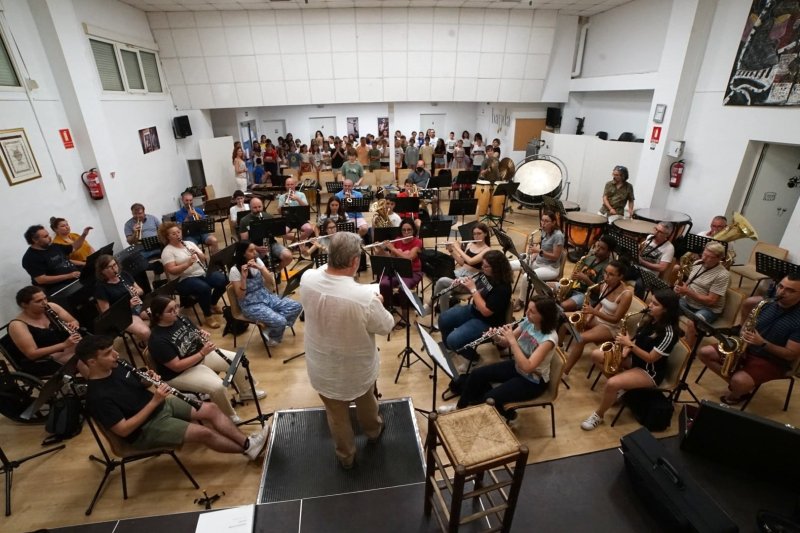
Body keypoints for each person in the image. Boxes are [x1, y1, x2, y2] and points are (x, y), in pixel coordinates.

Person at [78, 335, 270, 461]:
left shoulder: (117, 365)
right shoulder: (97, 396)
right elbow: (124, 430)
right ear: (92, 362)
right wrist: (154, 401)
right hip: (144, 429)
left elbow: (138, 385)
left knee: (210, 409)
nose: (116, 354)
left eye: (113, 349)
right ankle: (249, 448)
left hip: (158, 405)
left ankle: (249, 445)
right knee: (204, 433)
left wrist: (149, 381)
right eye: (108, 353)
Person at [299, 232, 394, 469]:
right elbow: (386, 326)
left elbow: (327, 278)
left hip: (322, 366)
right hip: (356, 368)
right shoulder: (365, 298)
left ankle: (346, 456)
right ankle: (373, 431)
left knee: (336, 416)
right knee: (366, 402)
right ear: (355, 262)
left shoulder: (307, 278)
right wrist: (378, 302)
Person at [147, 296, 264, 423]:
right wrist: (202, 353)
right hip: (179, 373)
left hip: (199, 356)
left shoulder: (181, 319)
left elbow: (196, 332)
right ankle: (228, 417)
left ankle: (246, 392)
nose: (176, 311)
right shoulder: (157, 340)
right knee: (217, 387)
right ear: (158, 315)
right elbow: (177, 366)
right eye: (170, 310)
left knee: (238, 359)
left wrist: (202, 334)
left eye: (176, 307)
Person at [443, 297, 559, 422]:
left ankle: (506, 415)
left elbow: (528, 366)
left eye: (532, 312)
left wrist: (512, 341)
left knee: (490, 398)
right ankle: (459, 407)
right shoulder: (528, 322)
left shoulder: (548, 339)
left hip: (533, 381)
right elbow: (505, 343)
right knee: (477, 374)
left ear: (544, 316)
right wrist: (495, 337)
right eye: (528, 309)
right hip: (517, 367)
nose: (527, 313)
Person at [580, 289, 681, 430]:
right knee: (597, 355)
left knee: (611, 383)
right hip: (636, 359)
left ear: (666, 310)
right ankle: (622, 389)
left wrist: (629, 345)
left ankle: (599, 415)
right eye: (651, 301)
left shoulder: (669, 333)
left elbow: (651, 358)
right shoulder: (650, 319)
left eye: (655, 304)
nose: (650, 305)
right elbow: (636, 340)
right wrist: (625, 350)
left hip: (649, 371)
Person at [698, 274, 800, 405]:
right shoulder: (766, 303)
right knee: (704, 352)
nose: (782, 292)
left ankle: (737, 393)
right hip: (748, 347)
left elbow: (791, 355)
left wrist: (762, 343)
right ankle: (739, 384)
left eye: (790, 290)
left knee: (740, 381)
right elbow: (747, 323)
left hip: (772, 360)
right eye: (780, 286)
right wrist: (743, 335)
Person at [439, 250, 513, 367]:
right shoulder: (486, 274)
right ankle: (450, 348)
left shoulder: (503, 288)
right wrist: (465, 283)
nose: (482, 267)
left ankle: (474, 359)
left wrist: (473, 289)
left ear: (497, 268)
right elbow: (477, 289)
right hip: (474, 310)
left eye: (486, 266)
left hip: (487, 322)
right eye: (482, 264)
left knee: (453, 340)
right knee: (443, 318)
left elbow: (486, 312)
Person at [562, 260, 633, 378]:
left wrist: (594, 312)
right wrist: (590, 316)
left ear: (621, 277)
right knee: (564, 316)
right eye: (605, 273)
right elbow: (601, 302)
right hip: (597, 317)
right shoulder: (605, 284)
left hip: (610, 327)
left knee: (581, 338)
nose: (606, 277)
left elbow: (615, 319)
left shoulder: (626, 295)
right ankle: (560, 347)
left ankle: (565, 372)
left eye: (611, 275)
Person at [229, 241, 303, 346]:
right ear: (243, 253)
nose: (255, 253)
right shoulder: (234, 270)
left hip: (265, 297)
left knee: (297, 306)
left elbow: (270, 282)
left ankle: (271, 328)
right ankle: (274, 337)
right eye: (251, 251)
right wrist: (244, 278)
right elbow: (240, 296)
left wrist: (261, 268)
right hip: (251, 305)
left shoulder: (258, 261)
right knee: (280, 321)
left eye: (255, 249)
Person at [159, 222, 226, 329]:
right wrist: (188, 263)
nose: (178, 235)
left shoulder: (189, 243)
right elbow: (172, 270)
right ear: (167, 237)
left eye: (178, 232)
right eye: (173, 234)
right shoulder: (167, 251)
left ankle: (212, 303)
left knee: (223, 280)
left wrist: (197, 253)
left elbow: (204, 258)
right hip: (183, 279)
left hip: (200, 273)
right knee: (204, 288)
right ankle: (208, 315)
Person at [7, 286, 84, 377]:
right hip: (44, 360)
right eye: (38, 301)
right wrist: (64, 344)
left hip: (66, 349)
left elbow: (73, 321)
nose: (44, 303)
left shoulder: (51, 307)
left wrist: (73, 325)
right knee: (83, 359)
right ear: (24, 305)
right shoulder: (17, 325)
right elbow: (32, 354)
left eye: (45, 298)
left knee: (96, 348)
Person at [673, 241, 730, 347]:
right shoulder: (698, 263)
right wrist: (681, 286)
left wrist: (687, 292)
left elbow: (711, 300)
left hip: (709, 309)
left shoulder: (723, 275)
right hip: (689, 300)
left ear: (719, 258)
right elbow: (692, 282)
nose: (704, 258)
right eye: (704, 254)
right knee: (666, 304)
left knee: (692, 323)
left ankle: (687, 351)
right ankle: (673, 334)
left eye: (709, 257)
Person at [431, 223, 493, 314]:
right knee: (445, 292)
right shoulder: (470, 244)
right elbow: (462, 262)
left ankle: (429, 304)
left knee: (441, 281)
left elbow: (471, 261)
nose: (476, 236)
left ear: (485, 234)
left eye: (479, 233)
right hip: (459, 273)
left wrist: (457, 248)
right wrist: (451, 250)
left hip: (471, 279)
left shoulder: (487, 250)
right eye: (474, 234)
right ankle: (444, 318)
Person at [513, 210, 565, 311]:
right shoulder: (545, 231)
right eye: (542, 220)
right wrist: (535, 254)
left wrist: (539, 251)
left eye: (546, 221)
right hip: (538, 262)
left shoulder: (558, 236)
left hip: (550, 268)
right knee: (512, 263)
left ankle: (521, 301)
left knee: (525, 277)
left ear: (554, 222)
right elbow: (544, 248)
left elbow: (555, 256)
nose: (543, 223)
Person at [94, 254, 150, 345]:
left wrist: (135, 291)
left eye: (115, 264)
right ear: (102, 271)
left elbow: (141, 291)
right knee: (145, 332)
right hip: (122, 315)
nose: (114, 269)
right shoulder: (100, 287)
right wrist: (128, 305)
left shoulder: (124, 274)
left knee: (160, 314)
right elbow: (106, 312)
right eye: (110, 267)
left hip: (137, 306)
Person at [22, 224, 90, 295]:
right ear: (35, 240)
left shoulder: (53, 246)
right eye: (46, 236)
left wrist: (84, 235)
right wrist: (69, 276)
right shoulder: (30, 258)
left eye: (48, 235)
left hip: (75, 277)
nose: (50, 237)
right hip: (59, 287)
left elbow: (74, 247)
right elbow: (41, 279)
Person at [375, 218, 423, 316]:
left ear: (413, 230)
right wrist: (381, 250)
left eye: (409, 230)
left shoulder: (418, 242)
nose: (406, 232)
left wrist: (392, 248)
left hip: (412, 272)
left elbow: (409, 258)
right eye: (403, 230)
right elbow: (391, 258)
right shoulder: (397, 240)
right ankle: (386, 309)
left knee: (403, 287)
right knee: (384, 283)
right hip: (396, 271)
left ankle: (404, 314)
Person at [556, 234, 615, 312]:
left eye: (602, 248)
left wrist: (585, 279)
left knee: (562, 306)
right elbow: (577, 272)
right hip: (574, 287)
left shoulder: (607, 268)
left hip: (587, 296)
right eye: (597, 246)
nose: (597, 249)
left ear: (609, 252)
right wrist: (574, 276)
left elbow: (600, 291)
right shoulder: (589, 258)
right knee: (548, 287)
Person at [238, 196, 293, 270]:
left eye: (259, 207)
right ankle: (262, 275)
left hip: (271, 244)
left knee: (288, 256)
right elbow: (244, 240)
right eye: (255, 207)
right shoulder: (244, 221)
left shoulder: (268, 216)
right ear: (250, 208)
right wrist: (257, 248)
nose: (258, 209)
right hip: (255, 247)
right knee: (251, 261)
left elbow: (276, 233)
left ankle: (277, 271)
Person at [634, 221, 676, 299]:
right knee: (620, 269)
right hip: (637, 267)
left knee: (639, 285)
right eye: (656, 229)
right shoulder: (649, 237)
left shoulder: (669, 248)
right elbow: (641, 251)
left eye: (660, 232)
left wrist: (642, 262)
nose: (656, 233)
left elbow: (662, 268)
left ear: (667, 235)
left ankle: (638, 304)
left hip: (649, 274)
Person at [278, 177, 315, 243]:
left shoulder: (301, 195)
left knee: (309, 229)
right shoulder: (282, 197)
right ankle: (296, 240)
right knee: (280, 232)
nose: (290, 186)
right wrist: (284, 203)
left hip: (300, 219)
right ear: (285, 186)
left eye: (291, 184)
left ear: (295, 185)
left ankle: (298, 242)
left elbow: (306, 207)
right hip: (287, 220)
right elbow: (279, 212)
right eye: (288, 185)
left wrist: (298, 199)